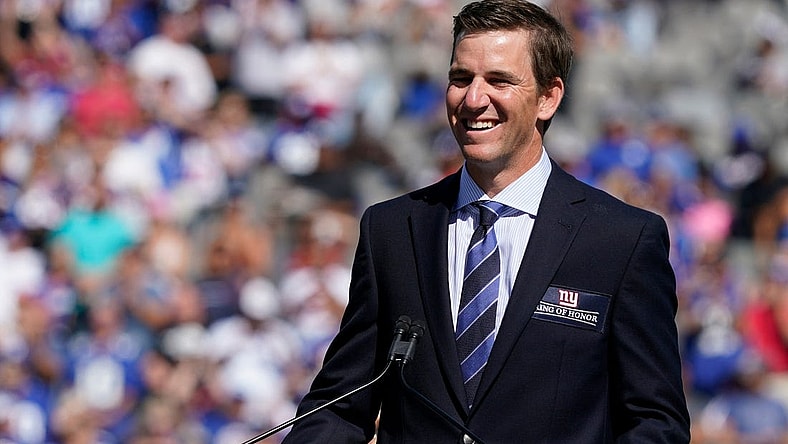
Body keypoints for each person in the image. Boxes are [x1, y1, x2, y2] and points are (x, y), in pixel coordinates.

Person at [281, 1, 691, 443]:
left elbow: (656, 425)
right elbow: (338, 407)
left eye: (499, 80)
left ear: (548, 97)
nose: (474, 99)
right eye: (461, 79)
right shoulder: (391, 230)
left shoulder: (621, 241)